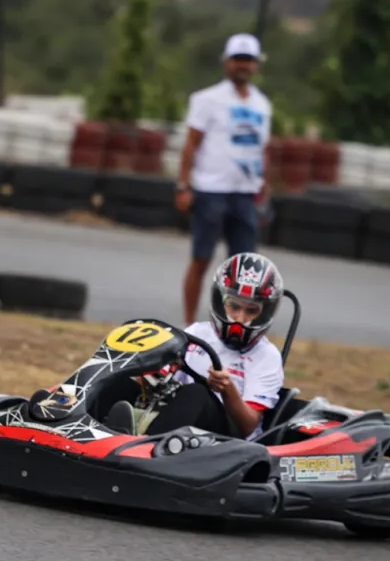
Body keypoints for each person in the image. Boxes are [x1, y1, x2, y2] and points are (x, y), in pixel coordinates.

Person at [105, 252, 286, 441]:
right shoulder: (197, 332)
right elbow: (157, 379)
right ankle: (96, 432)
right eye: (234, 307)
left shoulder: (267, 357)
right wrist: (148, 370)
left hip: (229, 441)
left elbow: (247, 426)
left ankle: (143, 446)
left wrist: (227, 390)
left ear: (265, 312)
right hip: (181, 426)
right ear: (220, 302)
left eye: (251, 310)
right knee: (121, 379)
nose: (240, 319)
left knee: (197, 393)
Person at [175, 33, 274, 326]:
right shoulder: (207, 99)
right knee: (201, 259)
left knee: (244, 270)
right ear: (226, 62)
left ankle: (233, 327)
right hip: (211, 191)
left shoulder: (262, 104)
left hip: (244, 194)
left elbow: (263, 149)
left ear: (256, 65)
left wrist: (264, 185)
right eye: (237, 59)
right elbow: (190, 144)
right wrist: (183, 185)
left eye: (248, 60)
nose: (242, 65)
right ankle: (189, 324)